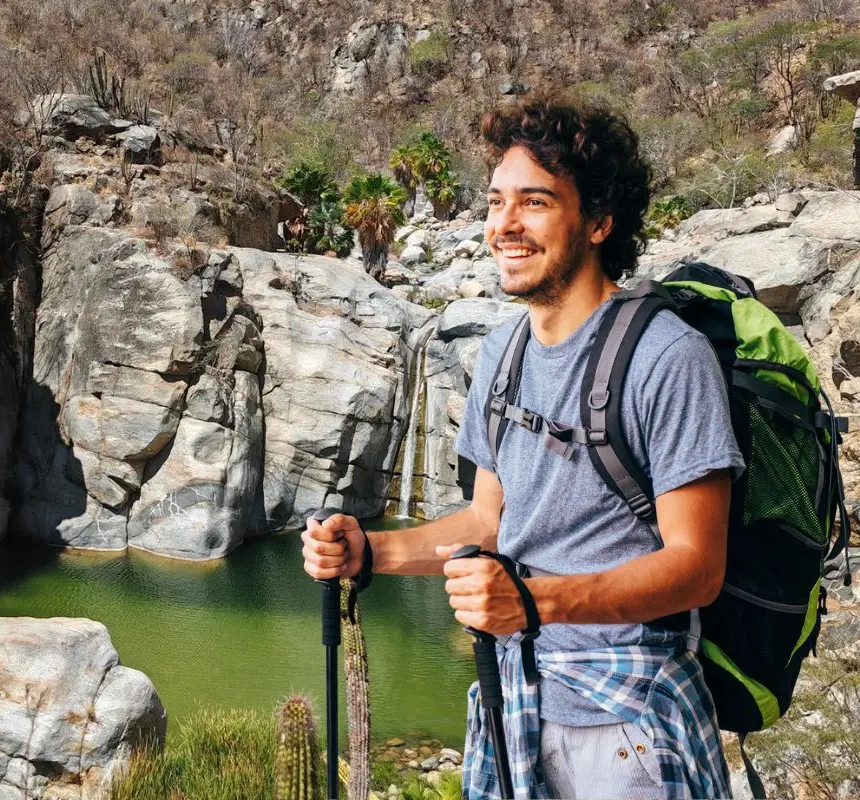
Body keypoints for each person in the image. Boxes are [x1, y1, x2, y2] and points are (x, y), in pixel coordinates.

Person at [302, 98, 744, 800]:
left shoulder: (667, 357)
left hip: (628, 724)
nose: (503, 225)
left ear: (599, 221)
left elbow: (696, 569)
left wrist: (536, 604)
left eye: (534, 203)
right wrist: (369, 552)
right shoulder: (504, 351)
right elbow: (489, 525)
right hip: (515, 701)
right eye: (496, 202)